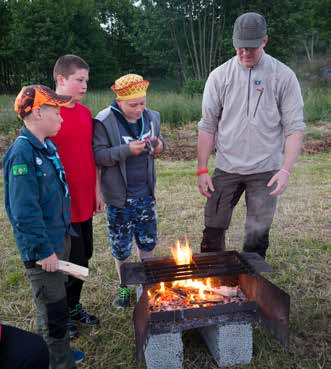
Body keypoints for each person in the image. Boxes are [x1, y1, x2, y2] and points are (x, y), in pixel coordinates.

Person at [197, 12, 305, 258]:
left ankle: (253, 281)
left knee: (257, 233)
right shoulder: (219, 76)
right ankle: (213, 275)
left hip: (265, 169)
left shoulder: (283, 76)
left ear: (264, 41)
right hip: (227, 167)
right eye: (240, 48)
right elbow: (208, 126)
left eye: (252, 48)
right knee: (213, 226)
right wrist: (202, 169)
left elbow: (294, 128)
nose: (245, 53)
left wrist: (285, 170)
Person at [2, 85, 84, 368]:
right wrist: (43, 251)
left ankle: (58, 353)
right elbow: (24, 212)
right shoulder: (22, 154)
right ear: (37, 112)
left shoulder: (47, 146)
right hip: (44, 250)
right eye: (56, 110)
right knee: (52, 311)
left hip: (58, 239)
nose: (61, 116)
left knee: (58, 299)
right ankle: (57, 362)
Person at [93, 74, 165, 308]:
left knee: (147, 242)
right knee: (121, 246)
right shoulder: (104, 121)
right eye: (132, 105)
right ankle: (124, 286)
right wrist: (126, 150)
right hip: (118, 198)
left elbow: (160, 143)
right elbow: (99, 156)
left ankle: (146, 284)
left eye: (142, 103)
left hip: (145, 194)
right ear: (119, 101)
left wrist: (159, 146)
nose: (139, 109)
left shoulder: (152, 116)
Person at [52, 55, 103, 338]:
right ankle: (60, 314)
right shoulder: (47, 114)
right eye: (79, 80)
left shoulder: (84, 114)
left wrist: (96, 190)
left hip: (85, 201)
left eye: (86, 80)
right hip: (61, 207)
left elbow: (91, 156)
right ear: (61, 79)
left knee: (84, 258)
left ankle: (72, 307)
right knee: (65, 262)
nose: (85, 85)